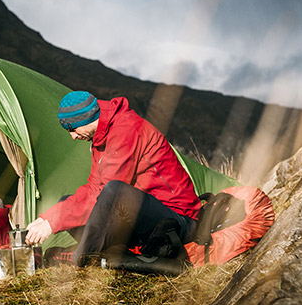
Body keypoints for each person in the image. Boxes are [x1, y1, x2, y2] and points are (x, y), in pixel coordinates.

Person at [25, 91, 201, 266]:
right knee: (66, 202)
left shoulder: (127, 130)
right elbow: (94, 187)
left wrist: (53, 223)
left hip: (177, 222)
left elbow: (107, 191)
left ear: (86, 119)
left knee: (114, 191)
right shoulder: (101, 135)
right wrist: (48, 217)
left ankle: (83, 260)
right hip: (144, 220)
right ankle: (94, 253)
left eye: (73, 129)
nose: (73, 136)